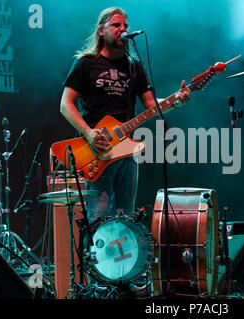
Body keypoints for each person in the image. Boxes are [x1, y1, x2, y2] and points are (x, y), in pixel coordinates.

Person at [60, 7, 190, 224]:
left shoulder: (133, 66)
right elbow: (66, 104)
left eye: (125, 26)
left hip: (127, 151)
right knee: (98, 220)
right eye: (116, 25)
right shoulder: (85, 63)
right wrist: (89, 134)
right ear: (102, 30)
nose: (123, 29)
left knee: (125, 218)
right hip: (97, 150)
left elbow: (151, 105)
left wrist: (175, 101)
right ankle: (96, 258)